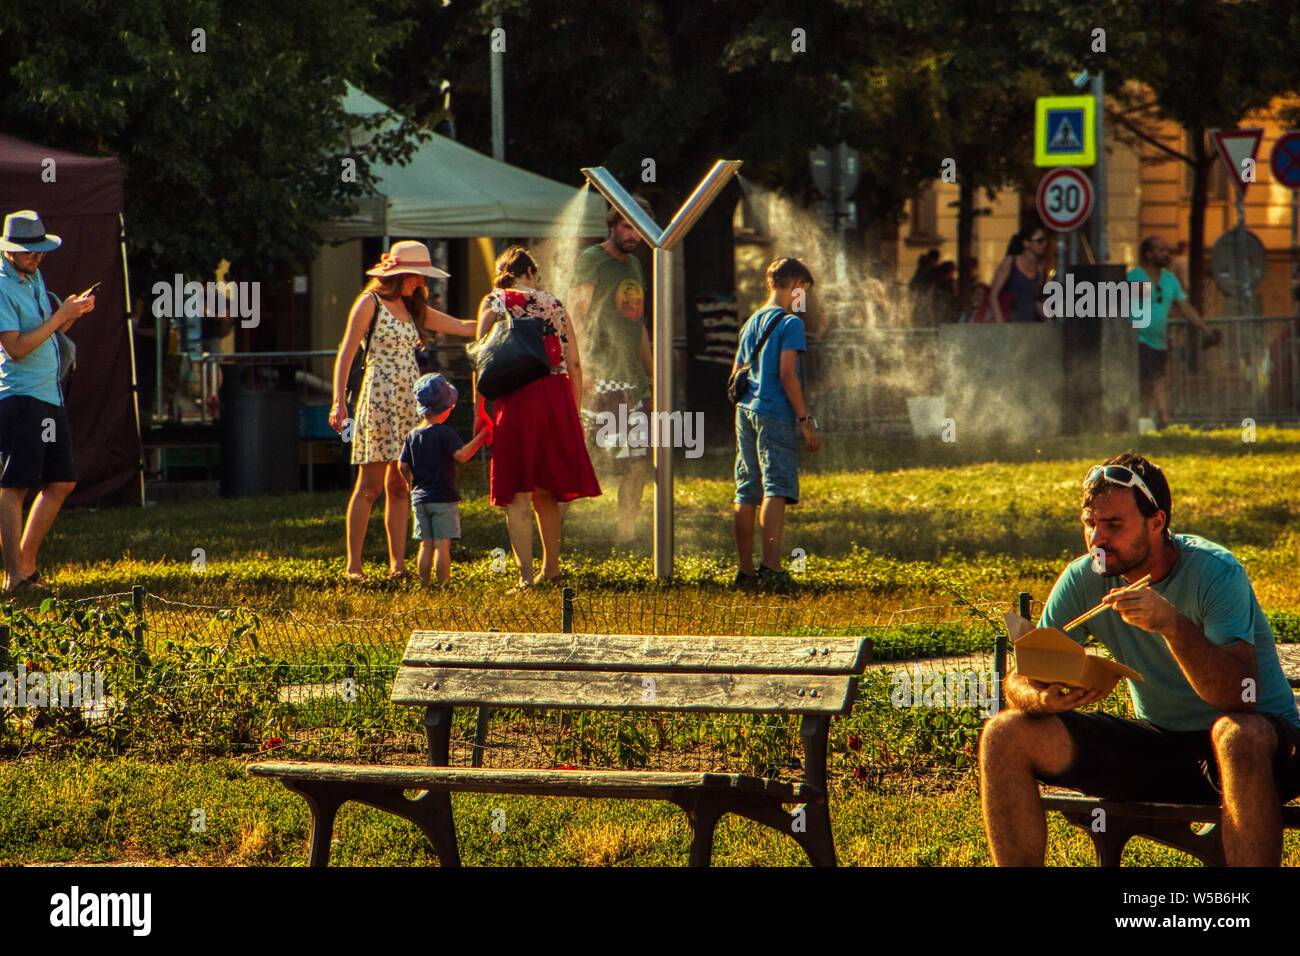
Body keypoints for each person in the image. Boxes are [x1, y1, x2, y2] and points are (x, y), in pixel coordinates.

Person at [979, 453, 1300, 866]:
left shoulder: (1215, 571)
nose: (1097, 539)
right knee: (1004, 733)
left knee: (1234, 734)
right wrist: (1040, 699)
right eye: (1090, 523)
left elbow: (1241, 697)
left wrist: (1172, 624)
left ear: (1157, 522)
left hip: (1262, 751)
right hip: (1164, 746)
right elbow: (1022, 678)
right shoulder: (1084, 577)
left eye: (1113, 525)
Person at [329, 241, 476, 582]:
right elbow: (347, 353)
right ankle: (354, 567)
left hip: (408, 398)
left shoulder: (414, 308)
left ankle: (398, 566)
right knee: (369, 487)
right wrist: (339, 401)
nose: (422, 282)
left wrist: (498, 313)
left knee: (399, 485)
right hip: (379, 397)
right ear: (403, 274)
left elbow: (462, 326)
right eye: (418, 276)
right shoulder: (370, 302)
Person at [476, 246, 600, 591]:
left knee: (517, 492)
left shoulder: (495, 301)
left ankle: (525, 578)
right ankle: (552, 568)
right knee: (547, 490)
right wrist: (572, 411)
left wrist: (479, 410)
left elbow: (482, 360)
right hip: (556, 395)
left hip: (516, 397)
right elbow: (575, 363)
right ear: (530, 271)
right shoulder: (555, 304)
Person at [0, 210, 96, 593]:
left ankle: (26, 567)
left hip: (48, 395)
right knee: (15, 486)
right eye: (28, 251)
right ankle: (15, 578)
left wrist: (69, 315)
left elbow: (42, 332)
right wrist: (60, 317)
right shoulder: (2, 286)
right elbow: (16, 347)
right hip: (21, 398)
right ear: (9, 250)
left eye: (40, 250)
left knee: (62, 480)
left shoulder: (33, 277)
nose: (36, 257)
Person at [731, 257, 821, 589]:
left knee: (747, 489)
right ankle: (771, 567)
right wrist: (804, 419)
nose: (804, 299)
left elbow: (737, 370)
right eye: (805, 291)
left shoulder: (752, 320)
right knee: (776, 488)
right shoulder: (790, 324)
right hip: (775, 414)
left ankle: (745, 570)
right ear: (795, 284)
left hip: (745, 411)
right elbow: (787, 375)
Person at [567, 198, 653, 543]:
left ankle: (625, 535)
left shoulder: (636, 265)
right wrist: (581, 371)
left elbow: (639, 324)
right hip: (598, 378)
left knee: (635, 462)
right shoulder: (592, 260)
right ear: (613, 224)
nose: (634, 235)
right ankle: (555, 530)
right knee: (578, 458)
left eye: (640, 228)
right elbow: (574, 316)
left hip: (633, 379)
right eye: (628, 226)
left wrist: (653, 374)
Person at [398, 373, 489, 587]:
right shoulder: (445, 433)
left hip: (420, 499)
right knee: (442, 546)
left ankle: (423, 585)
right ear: (445, 408)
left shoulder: (412, 435)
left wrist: (409, 482)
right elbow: (462, 455)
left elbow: (401, 465)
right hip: (443, 499)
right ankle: (444, 585)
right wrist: (482, 437)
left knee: (425, 545)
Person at [1128, 235, 1214, 431]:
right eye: (1160, 250)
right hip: (1138, 339)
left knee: (1153, 383)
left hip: (1159, 342)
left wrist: (1203, 327)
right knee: (1153, 380)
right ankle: (1162, 420)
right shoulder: (1135, 275)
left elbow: (1184, 307)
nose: (1166, 254)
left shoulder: (1170, 280)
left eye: (1166, 250)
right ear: (1148, 255)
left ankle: (1148, 422)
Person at [989, 227, 1048, 323]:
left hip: (1030, 325)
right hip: (1010, 324)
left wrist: (1048, 320)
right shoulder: (1010, 262)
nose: (1044, 244)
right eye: (1040, 241)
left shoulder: (1040, 268)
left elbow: (1036, 298)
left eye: (1045, 240)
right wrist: (1001, 323)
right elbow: (993, 295)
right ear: (1026, 243)